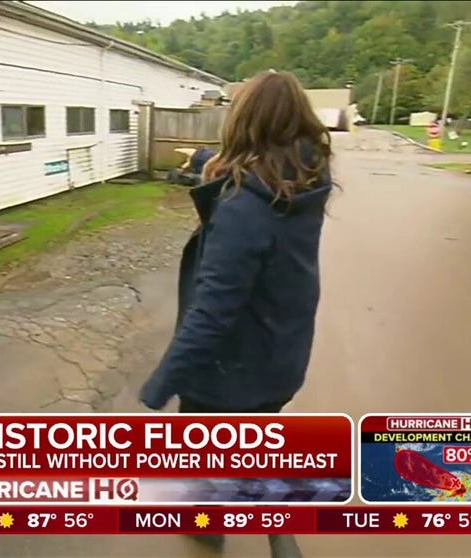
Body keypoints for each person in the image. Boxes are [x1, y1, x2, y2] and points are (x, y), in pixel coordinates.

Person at [139, 70, 334, 557]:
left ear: (242, 121)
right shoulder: (305, 181)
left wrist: (162, 382)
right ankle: (278, 530)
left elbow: (213, 309)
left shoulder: (244, 207)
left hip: (229, 367)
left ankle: (218, 528)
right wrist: (208, 162)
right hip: (280, 353)